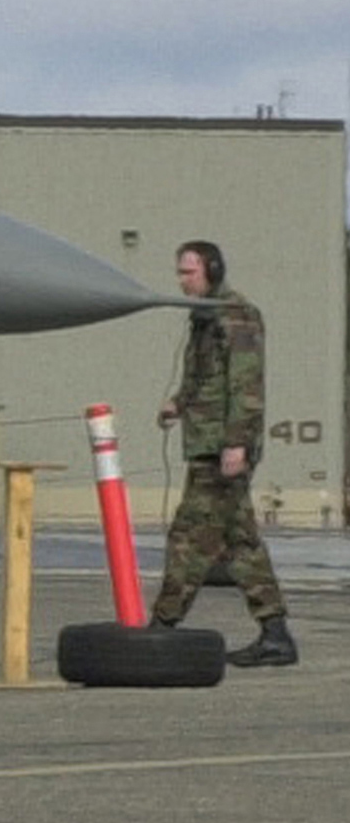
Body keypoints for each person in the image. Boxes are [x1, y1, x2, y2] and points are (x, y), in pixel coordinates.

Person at [151, 240, 295, 667]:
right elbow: (208, 375)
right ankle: (275, 633)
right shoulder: (205, 318)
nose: (181, 281)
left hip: (221, 449)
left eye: (189, 272)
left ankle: (163, 625)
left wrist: (236, 443)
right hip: (206, 442)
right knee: (239, 542)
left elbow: (245, 385)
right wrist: (178, 402)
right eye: (179, 272)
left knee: (189, 534)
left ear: (211, 270)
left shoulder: (236, 315)